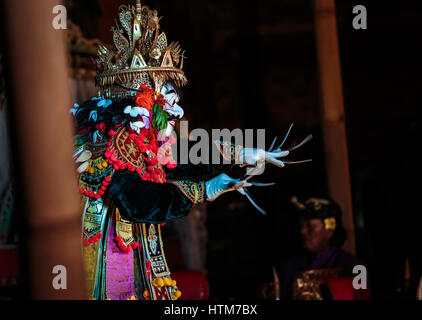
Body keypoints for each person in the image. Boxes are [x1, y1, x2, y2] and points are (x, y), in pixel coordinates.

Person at [72, 0, 297, 300]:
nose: (176, 111)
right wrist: (204, 190)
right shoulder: (109, 144)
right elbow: (143, 201)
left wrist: (242, 154)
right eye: (168, 99)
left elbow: (183, 156)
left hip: (136, 253)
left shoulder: (145, 140)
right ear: (143, 100)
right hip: (105, 263)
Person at [279, 196, 367, 300]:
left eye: (310, 226)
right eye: (301, 226)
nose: (303, 231)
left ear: (330, 230)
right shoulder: (289, 267)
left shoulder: (355, 267)